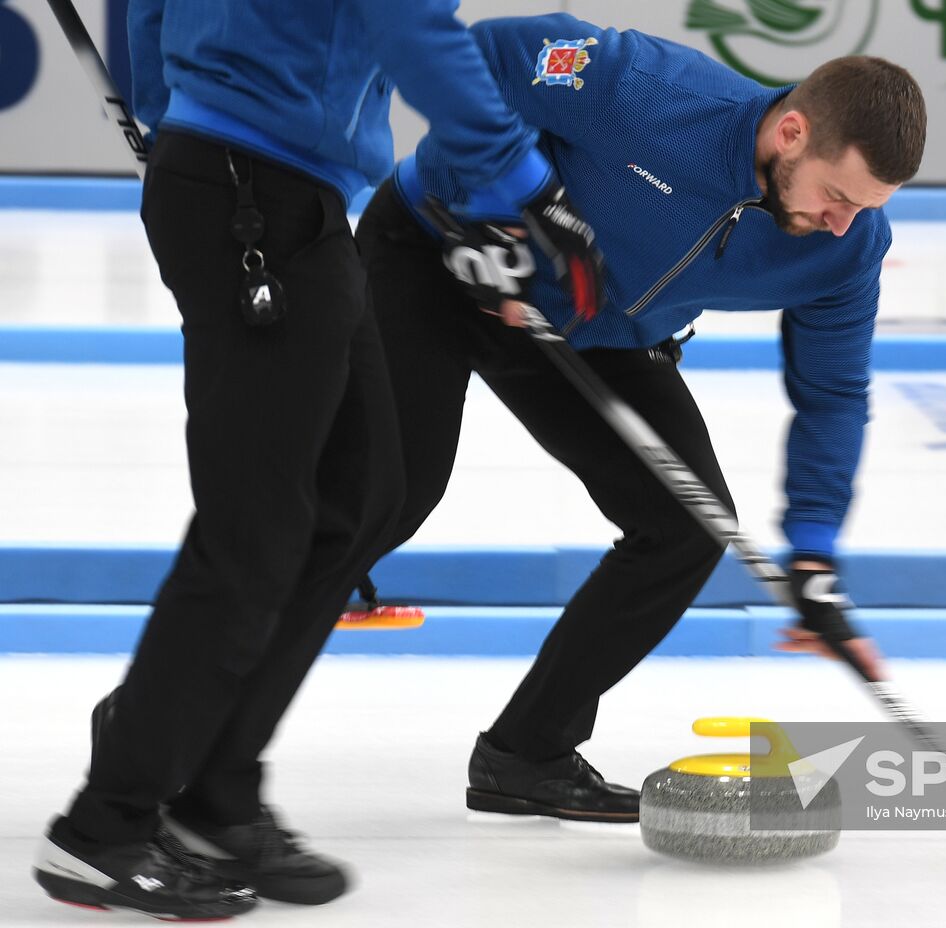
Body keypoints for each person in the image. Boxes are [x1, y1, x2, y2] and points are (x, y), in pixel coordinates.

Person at [33, 1, 602, 920]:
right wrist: (527, 186)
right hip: (254, 188)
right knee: (254, 533)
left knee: (365, 494)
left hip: (279, 191)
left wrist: (166, 100)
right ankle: (108, 824)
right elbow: (410, 23)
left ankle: (214, 792)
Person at [355, 13, 926, 824]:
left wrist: (815, 554)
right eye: (837, 196)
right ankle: (178, 721)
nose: (843, 222)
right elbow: (482, 59)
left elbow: (832, 393)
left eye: (864, 208)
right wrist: (493, 196)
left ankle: (527, 755)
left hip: (597, 325)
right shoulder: (649, 91)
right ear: (792, 132)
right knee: (390, 493)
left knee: (688, 528)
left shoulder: (846, 246)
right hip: (442, 251)